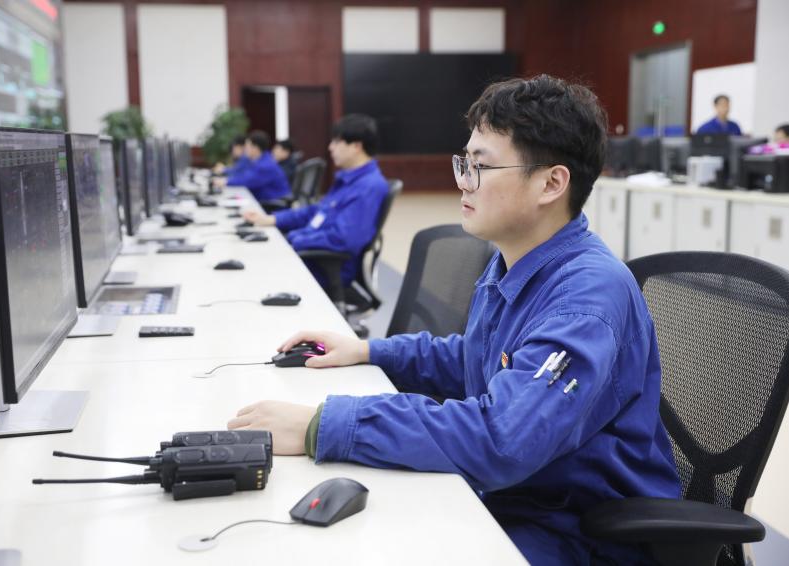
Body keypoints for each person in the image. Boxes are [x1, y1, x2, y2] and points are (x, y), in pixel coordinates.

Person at [228, 76, 681, 564]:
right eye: (464, 163)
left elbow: (502, 438)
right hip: (518, 499)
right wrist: (367, 349)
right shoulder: (514, 259)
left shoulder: (586, 297)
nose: (463, 181)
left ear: (552, 183)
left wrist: (324, 425)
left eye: (481, 167)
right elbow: (476, 357)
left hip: (578, 532)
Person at [242, 115, 389, 288]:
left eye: (336, 142)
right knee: (251, 256)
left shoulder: (369, 186)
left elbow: (344, 239)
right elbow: (316, 211)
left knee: (252, 273)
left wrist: (296, 238)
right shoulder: (349, 179)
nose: (330, 147)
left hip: (323, 268)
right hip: (309, 255)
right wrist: (273, 219)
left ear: (356, 146)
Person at [221, 130, 290, 201]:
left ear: (255, 148)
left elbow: (248, 181)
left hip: (273, 202)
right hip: (266, 199)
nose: (245, 149)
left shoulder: (266, 165)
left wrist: (226, 182)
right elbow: (244, 175)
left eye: (247, 146)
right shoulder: (260, 161)